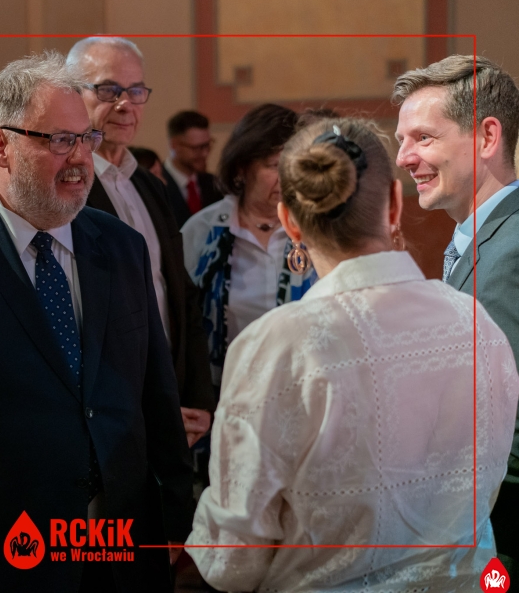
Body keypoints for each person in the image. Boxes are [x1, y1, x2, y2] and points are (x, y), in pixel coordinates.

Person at [0, 52, 193, 593]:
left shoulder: (121, 246)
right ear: (1, 146)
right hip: (1, 547)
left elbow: (155, 393)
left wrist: (177, 518)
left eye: (86, 139)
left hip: (124, 542)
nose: (81, 159)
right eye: (59, 141)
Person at [186, 117, 519, 591]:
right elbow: (486, 484)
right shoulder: (474, 323)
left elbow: (231, 561)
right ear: (395, 203)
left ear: (289, 221)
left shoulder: (275, 347)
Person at [393, 55, 519, 572]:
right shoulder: (482, 240)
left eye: (423, 138)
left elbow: (504, 425)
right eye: (402, 141)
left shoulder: (510, 251)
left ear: (487, 137)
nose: (404, 158)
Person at [66, 37, 215, 448]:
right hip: (111, 414)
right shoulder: (65, 187)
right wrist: (145, 408)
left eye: (135, 91)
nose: (124, 104)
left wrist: (198, 399)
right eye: (108, 89)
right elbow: (81, 319)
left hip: (174, 401)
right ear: (73, 94)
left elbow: (180, 296)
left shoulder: (149, 186)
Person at [181, 103, 312, 389]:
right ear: (242, 167)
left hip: (303, 387)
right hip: (224, 390)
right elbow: (179, 319)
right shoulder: (203, 231)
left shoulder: (315, 229)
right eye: (274, 166)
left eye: (295, 165)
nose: (287, 177)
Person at [161, 110, 222, 227]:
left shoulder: (215, 184)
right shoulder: (156, 184)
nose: (205, 153)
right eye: (197, 148)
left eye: (207, 145)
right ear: (174, 145)